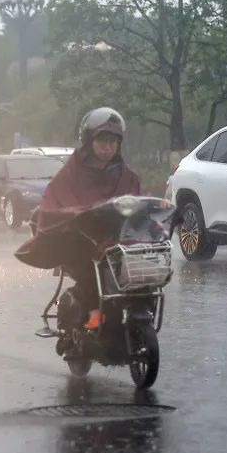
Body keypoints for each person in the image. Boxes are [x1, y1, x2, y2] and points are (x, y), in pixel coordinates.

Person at [35, 108, 141, 331]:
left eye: (113, 141)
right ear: (89, 141)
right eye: (102, 140)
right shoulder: (71, 172)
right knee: (89, 269)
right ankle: (93, 315)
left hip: (117, 243)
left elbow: (137, 205)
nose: (107, 146)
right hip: (79, 242)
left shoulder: (126, 175)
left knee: (144, 269)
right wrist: (74, 215)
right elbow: (54, 201)